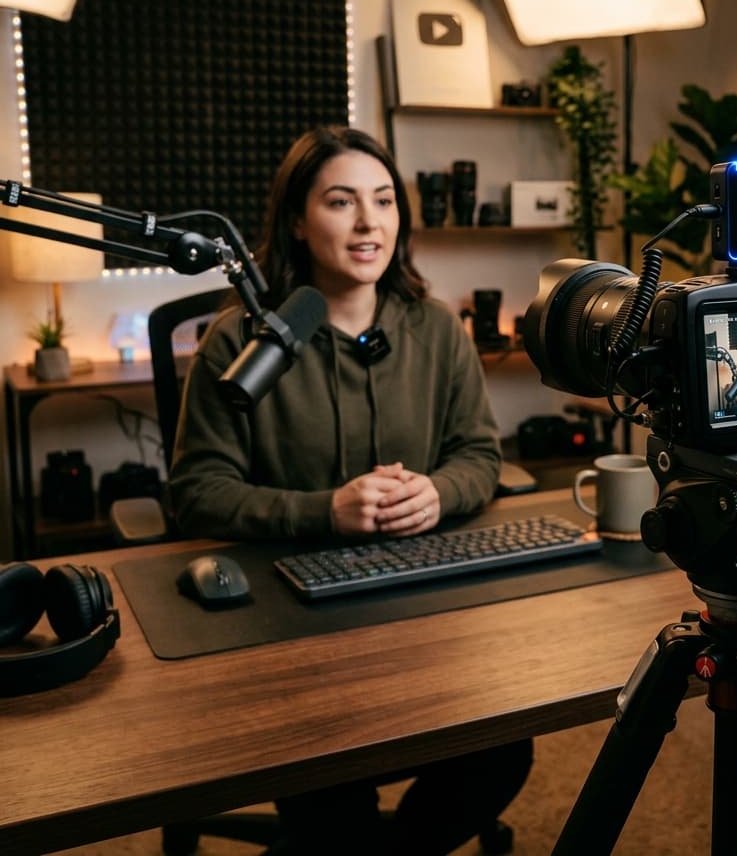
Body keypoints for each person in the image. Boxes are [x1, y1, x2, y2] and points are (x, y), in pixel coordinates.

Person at [169, 125, 532, 854]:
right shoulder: (237, 342)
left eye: (384, 200)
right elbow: (197, 491)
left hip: (420, 607)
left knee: (501, 750)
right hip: (289, 619)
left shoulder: (437, 329)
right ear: (297, 223)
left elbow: (477, 455)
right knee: (328, 783)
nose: (370, 223)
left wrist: (439, 491)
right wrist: (323, 510)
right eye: (341, 202)